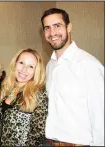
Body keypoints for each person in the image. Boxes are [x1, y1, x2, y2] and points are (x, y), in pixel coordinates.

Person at [41, 8, 104, 146]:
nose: (52, 33)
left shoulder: (89, 65)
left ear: (69, 27)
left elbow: (100, 116)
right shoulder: (50, 66)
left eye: (57, 26)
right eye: (47, 28)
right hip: (49, 143)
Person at [0, 48, 48, 146]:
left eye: (30, 66)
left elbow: (37, 134)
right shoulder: (8, 88)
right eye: (21, 63)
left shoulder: (38, 94)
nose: (24, 69)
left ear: (36, 71)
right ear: (15, 64)